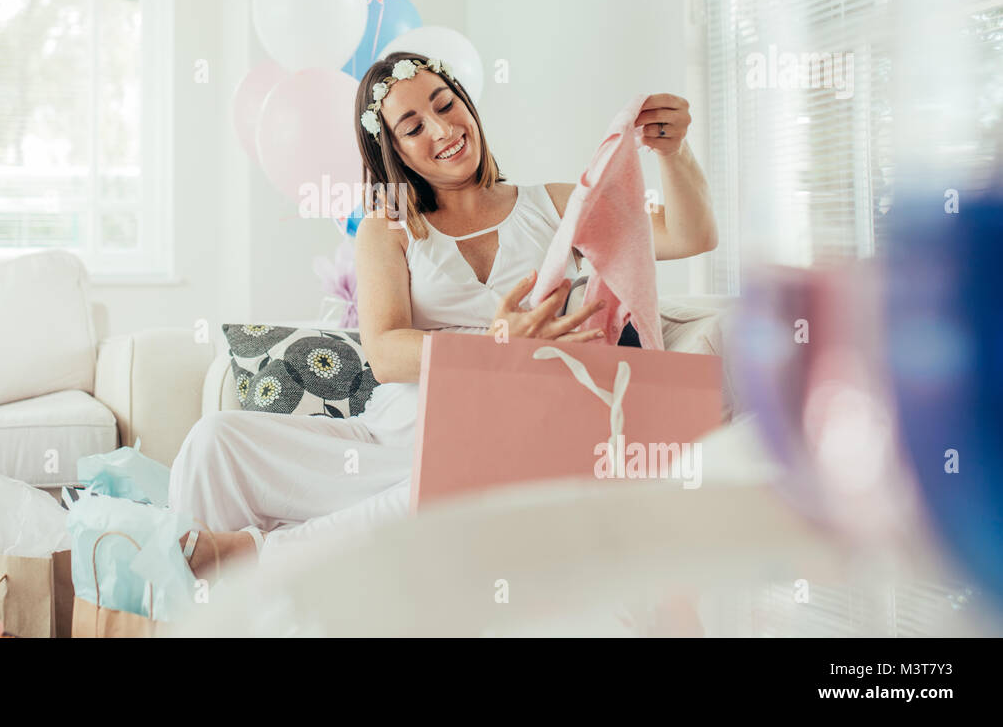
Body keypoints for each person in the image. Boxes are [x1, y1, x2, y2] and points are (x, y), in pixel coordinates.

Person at [169, 51, 718, 576]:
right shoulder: (389, 225)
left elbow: (690, 234)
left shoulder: (550, 207)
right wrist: (496, 345)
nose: (441, 129)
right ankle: (195, 610)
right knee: (213, 442)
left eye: (444, 103)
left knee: (464, 484)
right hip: (394, 436)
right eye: (412, 126)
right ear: (396, 152)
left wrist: (673, 153)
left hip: (504, 430)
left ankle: (252, 557)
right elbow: (384, 352)